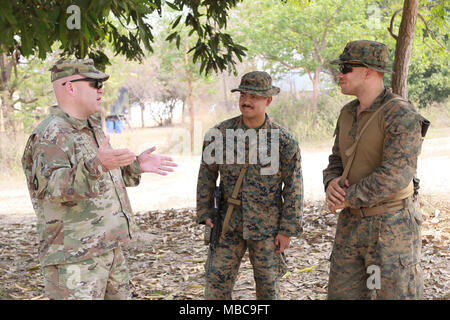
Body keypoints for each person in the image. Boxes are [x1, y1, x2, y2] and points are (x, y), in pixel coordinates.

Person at [21, 59, 177, 300]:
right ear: (70, 87)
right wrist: (98, 164)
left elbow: (101, 177)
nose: (101, 89)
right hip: (73, 259)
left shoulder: (91, 127)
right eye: (94, 83)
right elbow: (52, 188)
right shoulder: (51, 133)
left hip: (108, 248)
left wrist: (135, 166)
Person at [323, 40, 425, 299]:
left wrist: (345, 197)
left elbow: (396, 174)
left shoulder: (400, 114)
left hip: (390, 229)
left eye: (346, 68)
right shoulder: (347, 112)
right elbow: (336, 159)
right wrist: (331, 183)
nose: (340, 74)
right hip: (350, 225)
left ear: (368, 71)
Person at [196, 71, 303, 299]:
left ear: (268, 101)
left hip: (267, 227)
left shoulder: (284, 141)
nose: (247, 101)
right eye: (243, 94)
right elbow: (206, 174)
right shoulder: (220, 134)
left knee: (268, 288)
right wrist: (205, 211)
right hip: (227, 224)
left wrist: (287, 230)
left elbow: (294, 187)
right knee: (216, 285)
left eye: (254, 96)